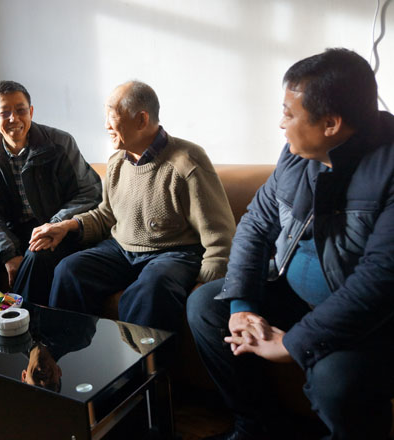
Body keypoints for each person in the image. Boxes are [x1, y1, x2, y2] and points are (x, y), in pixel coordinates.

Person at [186, 48, 394, 440]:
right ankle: (256, 426)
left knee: (336, 380)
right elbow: (255, 224)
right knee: (206, 306)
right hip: (294, 295)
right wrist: (242, 306)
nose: (281, 123)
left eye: (289, 113)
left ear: (330, 123)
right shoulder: (297, 157)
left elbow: (379, 281)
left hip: (368, 321)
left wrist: (296, 343)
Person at [30, 80, 236, 332]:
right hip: (122, 249)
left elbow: (220, 236)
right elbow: (107, 215)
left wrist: (206, 285)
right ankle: (69, 351)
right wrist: (67, 226)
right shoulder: (117, 162)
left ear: (141, 119)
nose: (106, 125)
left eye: (112, 116)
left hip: (174, 252)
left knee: (151, 287)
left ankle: (141, 359)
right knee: (69, 270)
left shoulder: (187, 161)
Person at [0, 80, 102, 305]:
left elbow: (88, 192)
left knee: (38, 253)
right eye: (4, 113)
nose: (14, 119)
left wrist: (54, 225)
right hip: (15, 232)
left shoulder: (60, 143)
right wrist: (8, 253)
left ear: (31, 112)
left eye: (20, 110)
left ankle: (23, 321)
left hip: (57, 226)